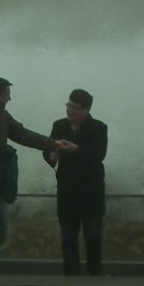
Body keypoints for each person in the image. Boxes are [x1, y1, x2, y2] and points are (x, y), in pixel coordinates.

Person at [0, 77, 75, 274]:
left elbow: (22, 134)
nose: (10, 99)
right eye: (7, 95)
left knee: (1, 226)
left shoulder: (3, 116)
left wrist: (53, 144)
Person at [44, 88, 108, 275]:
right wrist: (51, 156)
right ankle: (71, 273)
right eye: (68, 105)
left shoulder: (99, 128)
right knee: (68, 235)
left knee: (93, 234)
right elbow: (48, 149)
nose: (70, 110)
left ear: (86, 109)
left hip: (91, 190)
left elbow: (98, 155)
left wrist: (76, 149)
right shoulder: (59, 126)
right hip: (67, 188)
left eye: (75, 107)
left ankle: (94, 272)